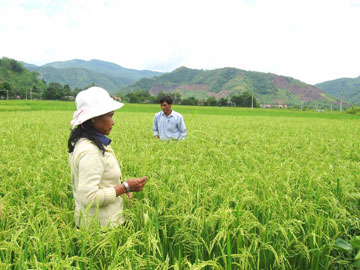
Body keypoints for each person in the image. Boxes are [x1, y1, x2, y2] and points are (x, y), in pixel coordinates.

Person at [68, 86, 147, 228]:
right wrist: (125, 187)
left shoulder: (89, 142)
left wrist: (120, 187)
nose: (113, 121)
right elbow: (89, 198)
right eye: (110, 115)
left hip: (94, 224)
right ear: (94, 119)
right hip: (100, 229)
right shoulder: (91, 151)